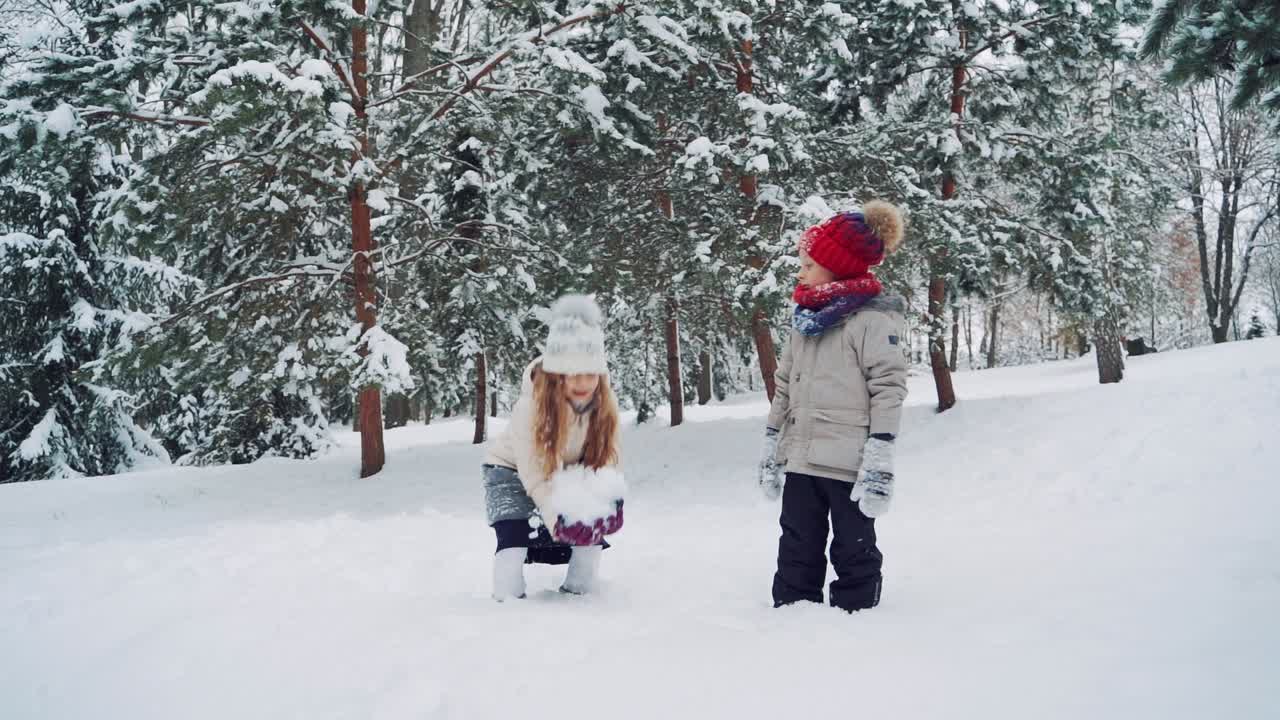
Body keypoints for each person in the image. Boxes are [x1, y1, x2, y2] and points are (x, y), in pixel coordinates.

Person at [758, 202, 909, 612]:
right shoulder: (805, 321)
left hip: (848, 462)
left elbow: (888, 387)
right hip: (801, 457)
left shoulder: (871, 322)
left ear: (838, 267)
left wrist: (879, 454)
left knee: (853, 544)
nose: (800, 273)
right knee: (796, 540)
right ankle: (792, 609)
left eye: (809, 265)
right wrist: (772, 442)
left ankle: (856, 614)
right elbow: (785, 384)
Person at [483, 295, 624, 601]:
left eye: (591, 374)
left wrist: (603, 501)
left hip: (570, 470)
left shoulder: (605, 404)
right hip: (510, 471)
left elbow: (608, 459)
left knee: (589, 537)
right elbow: (535, 473)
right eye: (574, 374)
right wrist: (557, 519)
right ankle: (505, 601)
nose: (583, 383)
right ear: (557, 374)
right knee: (514, 539)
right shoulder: (531, 408)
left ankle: (578, 592)